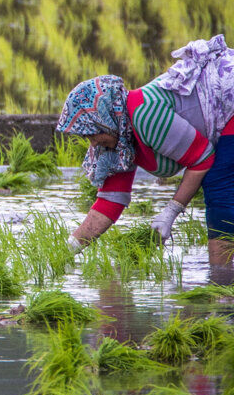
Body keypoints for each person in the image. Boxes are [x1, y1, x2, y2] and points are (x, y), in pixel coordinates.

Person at [58, 35, 234, 266]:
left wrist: (171, 211)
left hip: (228, 103)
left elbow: (202, 158)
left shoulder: (143, 114)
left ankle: (221, 282)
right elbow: (110, 201)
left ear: (105, 119)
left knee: (217, 186)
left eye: (92, 134)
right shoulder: (120, 141)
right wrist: (65, 251)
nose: (93, 143)